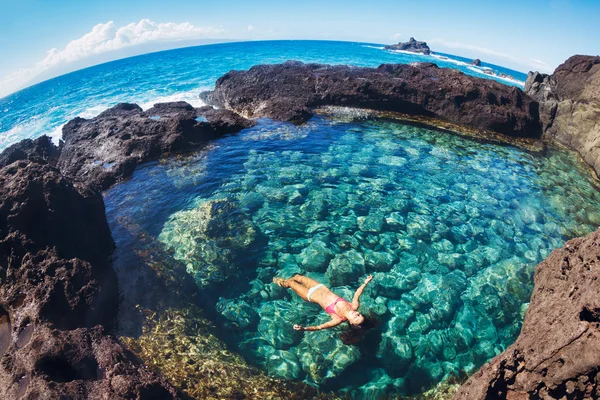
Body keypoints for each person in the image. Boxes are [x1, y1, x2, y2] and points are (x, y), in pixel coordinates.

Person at [273, 274, 373, 331]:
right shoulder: (353, 306)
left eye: (355, 317)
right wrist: (366, 282)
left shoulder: (337, 319)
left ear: (351, 323)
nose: (356, 313)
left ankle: (280, 283)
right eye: (359, 314)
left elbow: (320, 327)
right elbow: (357, 294)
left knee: (290, 283)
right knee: (298, 277)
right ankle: (285, 281)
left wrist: (303, 328)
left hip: (309, 295)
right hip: (319, 287)